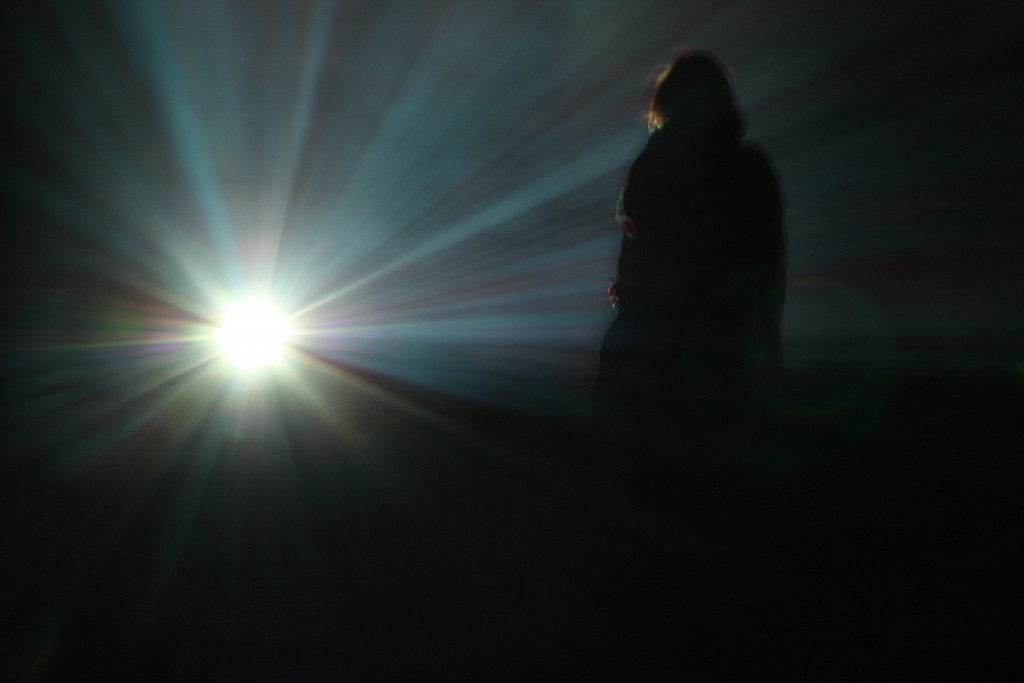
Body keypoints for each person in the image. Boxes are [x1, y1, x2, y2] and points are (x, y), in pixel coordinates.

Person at [596, 49, 785, 418]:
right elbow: (769, 259)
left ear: (666, 104)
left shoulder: (651, 168)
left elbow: (633, 255)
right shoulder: (751, 168)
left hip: (654, 347)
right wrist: (768, 336)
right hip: (721, 344)